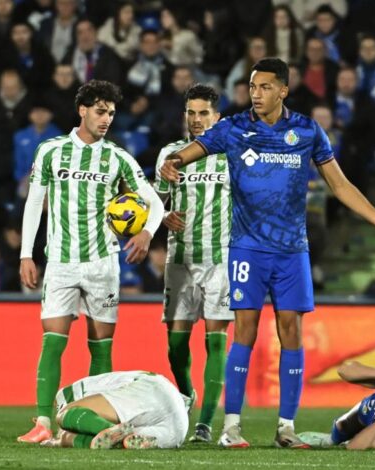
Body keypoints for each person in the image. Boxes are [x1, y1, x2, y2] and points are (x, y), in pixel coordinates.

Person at [159, 58, 375, 449]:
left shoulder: (307, 131)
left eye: (263, 87)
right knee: (244, 328)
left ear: (282, 90)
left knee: (291, 330)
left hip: (292, 250)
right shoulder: (233, 128)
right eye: (252, 87)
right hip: (247, 247)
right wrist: (170, 164)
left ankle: (286, 428)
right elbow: (185, 155)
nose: (255, 94)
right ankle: (231, 427)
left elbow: (340, 186)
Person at [17, 80, 164, 443]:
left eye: (111, 113)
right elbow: (35, 202)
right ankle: (42, 423)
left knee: (100, 345)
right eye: (100, 111)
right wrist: (25, 253)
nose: (106, 119)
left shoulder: (118, 158)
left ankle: (97, 418)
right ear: (81, 110)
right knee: (52, 341)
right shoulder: (51, 151)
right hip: (61, 262)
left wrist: (146, 232)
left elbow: (155, 202)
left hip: (102, 264)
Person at [154, 84, 232, 443]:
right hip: (180, 259)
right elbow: (154, 204)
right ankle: (187, 394)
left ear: (217, 117)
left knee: (216, 341)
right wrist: (163, 213)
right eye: (191, 113)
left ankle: (204, 422)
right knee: (175, 345)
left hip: (221, 259)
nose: (197, 119)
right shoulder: (170, 154)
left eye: (203, 113)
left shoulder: (231, 152)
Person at [42, 371, 190, 449]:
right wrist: (61, 440)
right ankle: (122, 437)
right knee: (122, 441)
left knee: (63, 416)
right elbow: (102, 438)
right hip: (178, 429)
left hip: (152, 391)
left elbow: (70, 415)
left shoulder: (85, 388)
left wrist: (62, 433)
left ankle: (111, 429)